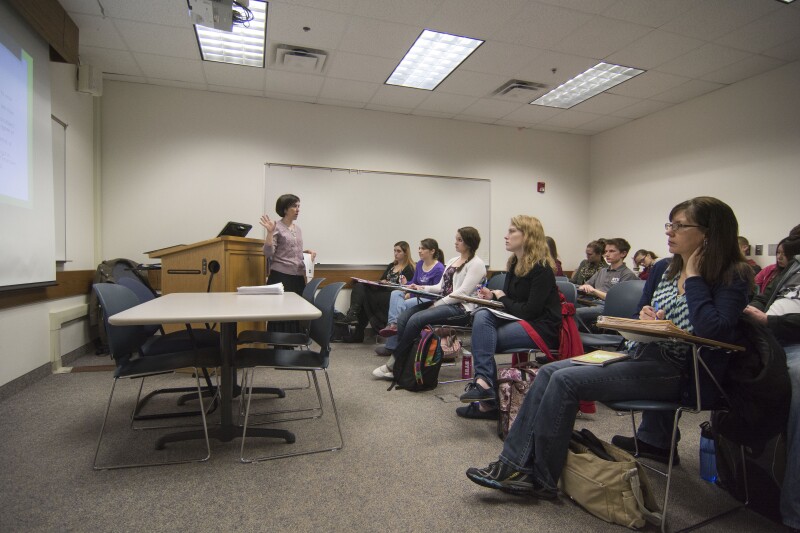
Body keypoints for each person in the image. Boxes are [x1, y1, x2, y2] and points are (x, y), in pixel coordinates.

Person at [466, 196, 751, 498]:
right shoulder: (665, 269)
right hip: (641, 353)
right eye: (670, 224)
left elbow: (714, 330)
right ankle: (513, 463)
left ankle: (539, 477)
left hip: (684, 370)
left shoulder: (732, 274)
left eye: (679, 226)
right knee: (550, 371)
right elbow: (641, 312)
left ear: (709, 232)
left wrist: (693, 278)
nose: (669, 231)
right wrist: (647, 317)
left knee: (564, 380)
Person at [456, 216, 561, 420]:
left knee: (483, 338)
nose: (506, 235)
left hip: (540, 327)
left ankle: (487, 399)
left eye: (512, 231)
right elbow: (511, 301)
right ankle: (485, 387)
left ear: (528, 236)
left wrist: (502, 297)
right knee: (482, 315)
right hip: (520, 319)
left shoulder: (542, 269)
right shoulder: (515, 262)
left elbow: (530, 311)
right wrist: (494, 296)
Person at [372, 227, 486, 380]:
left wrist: (436, 304)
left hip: (460, 309)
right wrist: (421, 287)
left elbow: (462, 294)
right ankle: (405, 364)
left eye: (459, 240)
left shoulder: (476, 264)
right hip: (445, 303)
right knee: (404, 317)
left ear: (469, 242)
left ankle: (394, 364)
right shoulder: (453, 261)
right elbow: (441, 287)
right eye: (456, 239)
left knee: (417, 319)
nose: (456, 242)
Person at [743, 233, 800, 531]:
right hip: (766, 339)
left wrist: (770, 322)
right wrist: (753, 310)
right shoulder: (792, 268)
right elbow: (766, 296)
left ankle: (794, 513)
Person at [376, 239, 445, 356]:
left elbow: (437, 291)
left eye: (423, 249)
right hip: (416, 297)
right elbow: (413, 283)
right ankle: (393, 325)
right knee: (395, 293)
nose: (419, 251)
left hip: (429, 300)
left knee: (400, 307)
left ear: (432, 251)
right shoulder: (419, 264)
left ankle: (392, 345)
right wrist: (406, 283)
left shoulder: (439, 268)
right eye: (419, 248)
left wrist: (418, 288)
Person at [338, 242, 415, 343]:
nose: (395, 253)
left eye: (398, 251)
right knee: (359, 286)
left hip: (393, 297)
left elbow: (405, 288)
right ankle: (353, 315)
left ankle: (355, 325)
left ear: (406, 253)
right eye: (394, 251)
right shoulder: (392, 265)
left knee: (365, 296)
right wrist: (381, 282)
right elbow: (382, 280)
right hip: (381, 293)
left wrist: (390, 284)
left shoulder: (409, 268)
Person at [261, 193, 316, 333]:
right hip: (281, 277)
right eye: (294, 206)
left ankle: (291, 349)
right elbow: (268, 252)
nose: (298, 209)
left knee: (295, 315)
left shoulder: (298, 229)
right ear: (285, 209)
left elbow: (291, 251)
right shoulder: (276, 226)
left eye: (299, 206)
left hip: (298, 277)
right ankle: (280, 348)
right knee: (281, 317)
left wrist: (306, 254)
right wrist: (269, 233)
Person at [575, 238, 638, 328]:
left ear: (623, 253)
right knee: (566, 308)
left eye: (611, 251)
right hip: (592, 302)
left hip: (608, 307)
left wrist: (594, 291)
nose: (607, 254)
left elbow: (616, 300)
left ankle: (576, 340)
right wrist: (585, 287)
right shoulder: (602, 271)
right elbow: (586, 284)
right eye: (606, 251)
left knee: (574, 313)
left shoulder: (627, 274)